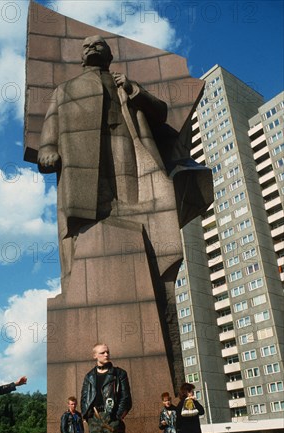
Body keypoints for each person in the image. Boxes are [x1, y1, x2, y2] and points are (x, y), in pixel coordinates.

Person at [38, 35, 212, 290]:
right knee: (90, 205)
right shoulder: (65, 89)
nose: (91, 48)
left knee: (129, 200)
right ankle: (92, 245)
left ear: (109, 56)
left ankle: (131, 232)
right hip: (80, 155)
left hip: (123, 141)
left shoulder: (124, 84)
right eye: (86, 46)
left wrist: (133, 90)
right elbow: (51, 122)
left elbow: (161, 112)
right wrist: (48, 148)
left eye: (98, 45)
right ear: (81, 57)